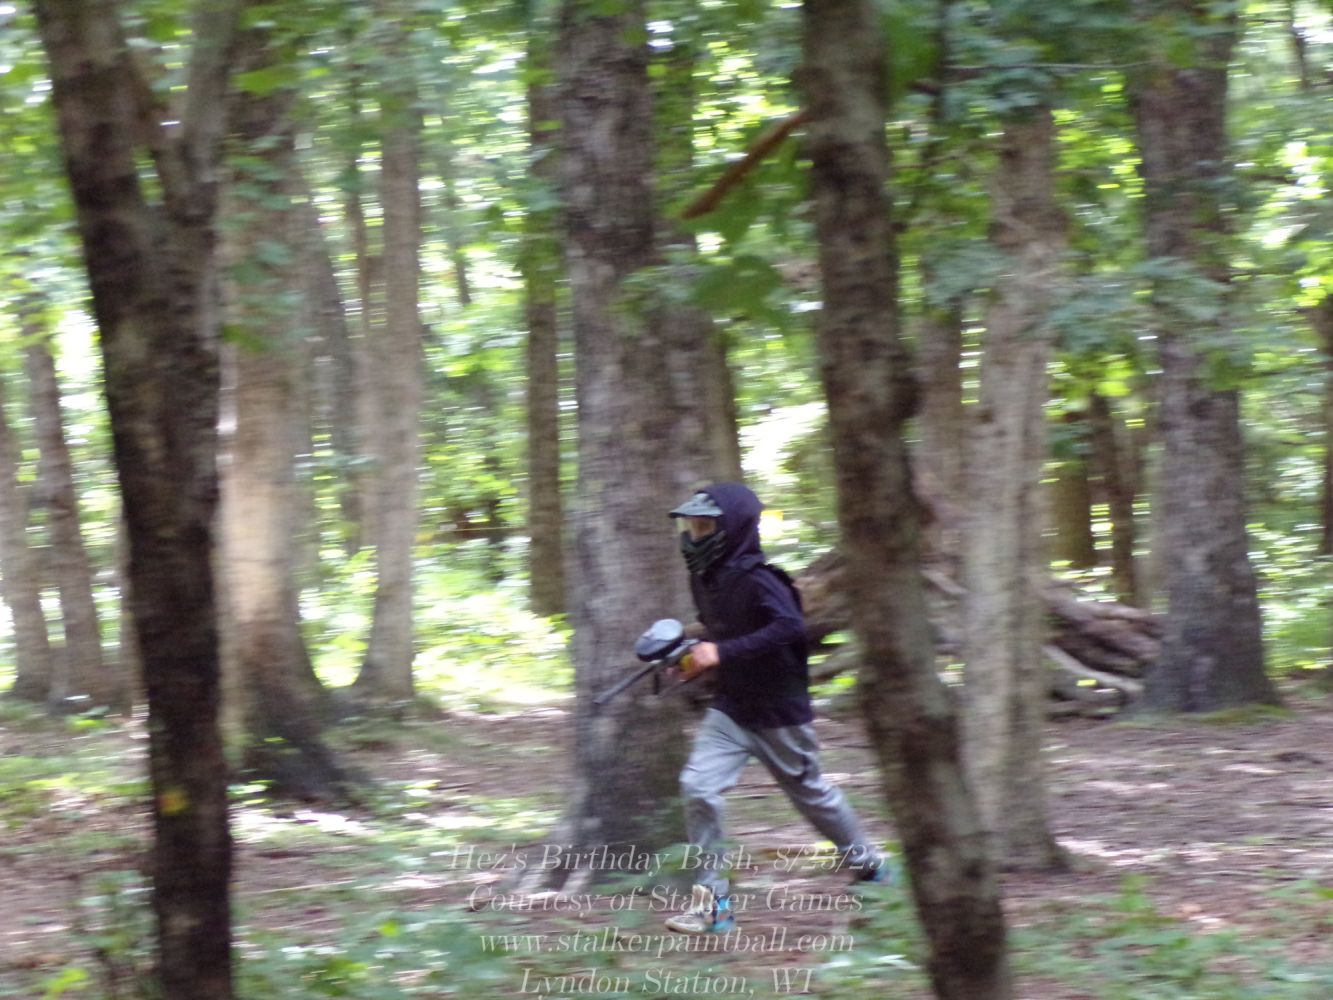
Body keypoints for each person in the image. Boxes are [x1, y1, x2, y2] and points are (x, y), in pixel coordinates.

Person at [663, 482, 887, 935]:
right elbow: (718, 629)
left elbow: (789, 628)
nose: (695, 536)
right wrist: (686, 655)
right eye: (692, 526)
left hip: (779, 712)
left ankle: (871, 868)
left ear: (732, 528)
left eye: (704, 527)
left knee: (813, 797)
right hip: (731, 709)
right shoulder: (704, 579)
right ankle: (713, 907)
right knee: (697, 788)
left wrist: (720, 653)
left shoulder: (762, 578)